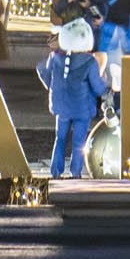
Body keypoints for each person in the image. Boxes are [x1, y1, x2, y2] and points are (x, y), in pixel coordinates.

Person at [39, 18, 108, 178]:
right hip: (82, 108)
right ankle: (75, 172)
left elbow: (48, 79)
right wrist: (104, 79)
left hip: (62, 106)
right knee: (79, 142)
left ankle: (56, 171)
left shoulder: (55, 57)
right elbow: (98, 88)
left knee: (60, 138)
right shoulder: (90, 62)